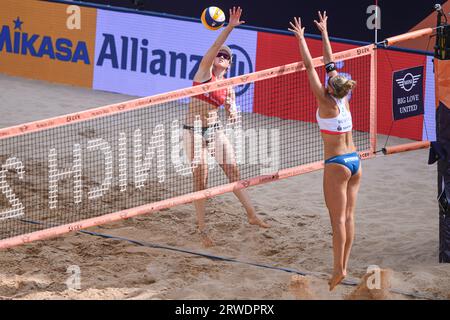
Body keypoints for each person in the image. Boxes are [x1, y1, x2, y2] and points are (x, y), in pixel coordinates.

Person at [184, 6, 269, 248]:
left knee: (234, 174)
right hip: (192, 132)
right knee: (201, 182)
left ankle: (252, 215)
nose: (222, 56)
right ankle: (202, 229)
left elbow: (232, 108)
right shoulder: (203, 74)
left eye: (227, 56)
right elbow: (213, 49)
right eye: (220, 54)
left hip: (214, 131)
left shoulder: (228, 86)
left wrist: (234, 114)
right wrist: (229, 28)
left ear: (230, 65)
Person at [288, 11, 361, 291]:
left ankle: (338, 269)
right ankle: (345, 263)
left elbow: (309, 66)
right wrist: (324, 32)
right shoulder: (344, 98)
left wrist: (301, 38)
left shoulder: (325, 101)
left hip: (337, 164)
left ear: (330, 87)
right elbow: (330, 63)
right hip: (355, 161)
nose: (330, 75)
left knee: (337, 220)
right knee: (350, 217)